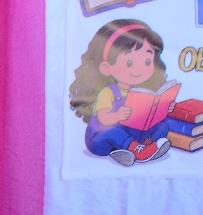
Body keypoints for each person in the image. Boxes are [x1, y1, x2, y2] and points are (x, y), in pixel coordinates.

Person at [68, 19, 172, 166]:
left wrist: (161, 109)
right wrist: (117, 116)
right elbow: (103, 119)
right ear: (106, 68)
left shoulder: (139, 92)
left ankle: (142, 148)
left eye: (147, 62)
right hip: (101, 138)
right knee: (114, 131)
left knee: (163, 126)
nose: (139, 69)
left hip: (129, 134)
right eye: (130, 62)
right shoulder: (108, 92)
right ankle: (138, 151)